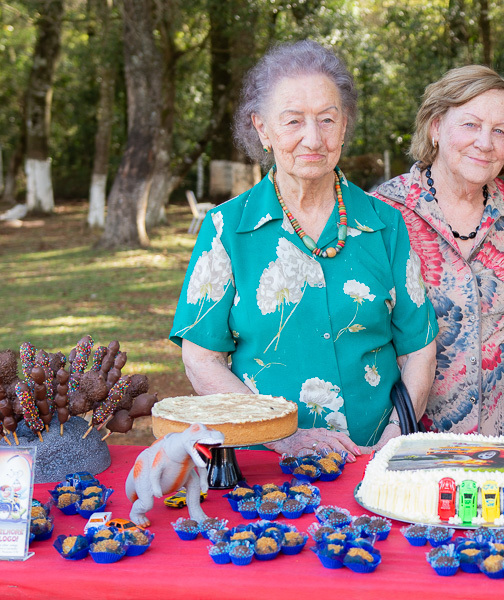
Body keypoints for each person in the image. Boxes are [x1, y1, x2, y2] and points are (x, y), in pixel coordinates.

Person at [170, 41, 437, 460]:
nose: (313, 138)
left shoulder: (386, 224)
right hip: (265, 464)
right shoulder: (226, 229)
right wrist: (284, 440)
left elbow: (419, 347)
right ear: (262, 128)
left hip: (374, 459)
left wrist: (395, 438)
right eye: (293, 121)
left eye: (327, 120)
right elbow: (202, 361)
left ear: (344, 125)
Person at [376, 65, 504, 437]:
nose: (485, 143)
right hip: (407, 439)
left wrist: (488, 377)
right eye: (470, 125)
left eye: (499, 131)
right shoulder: (383, 213)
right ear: (436, 127)